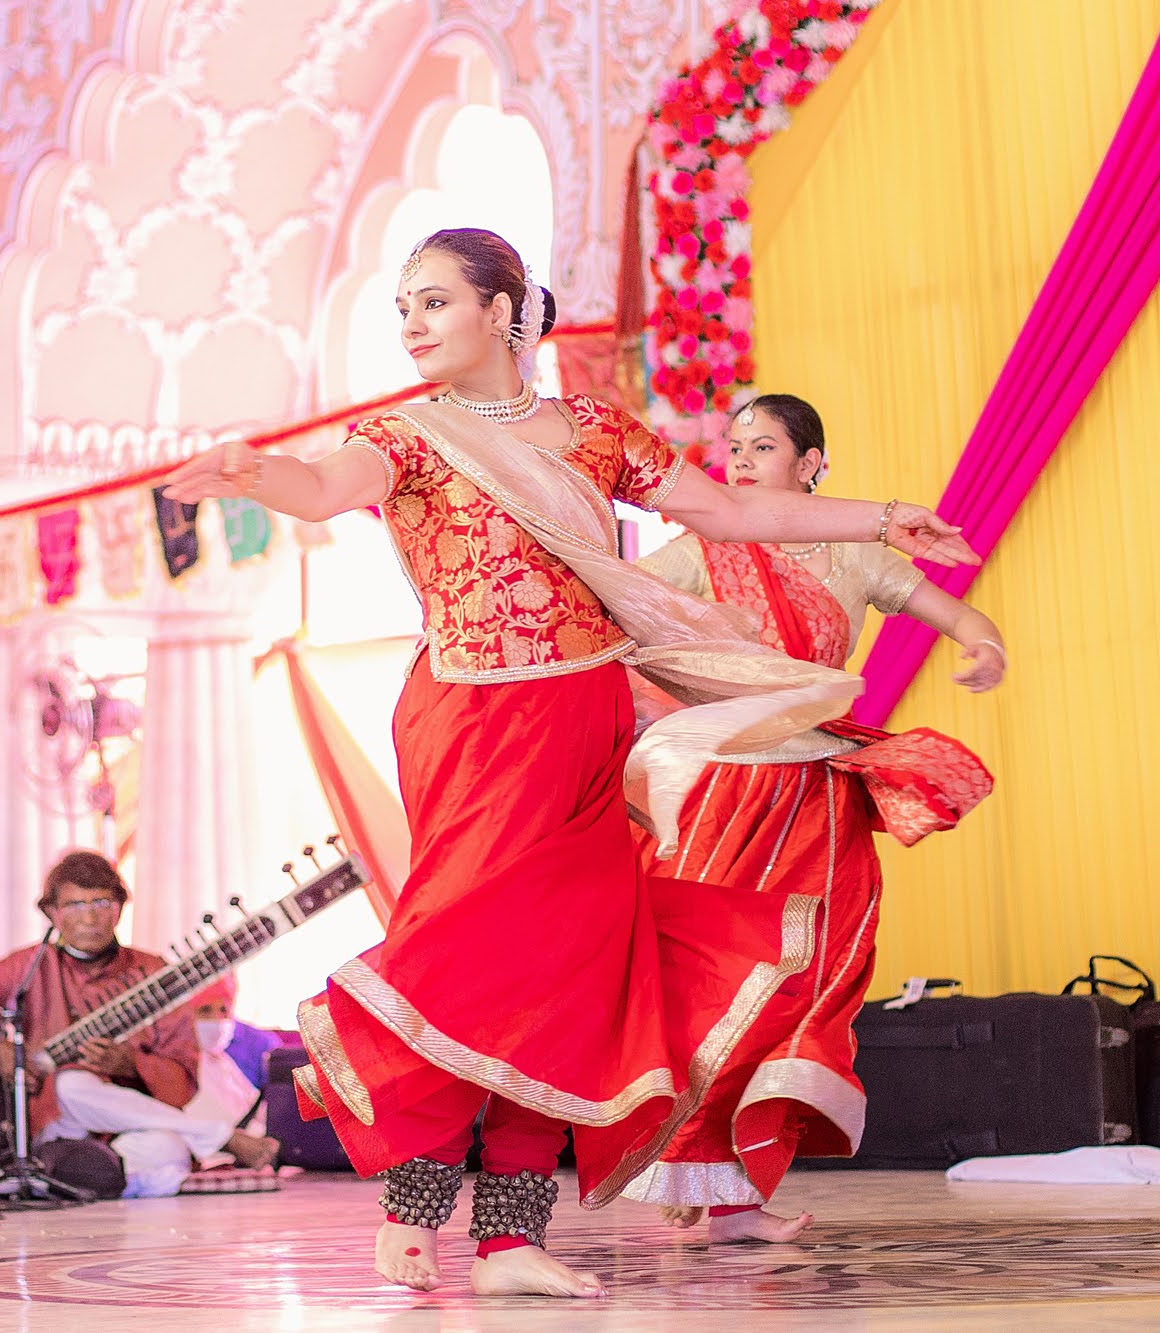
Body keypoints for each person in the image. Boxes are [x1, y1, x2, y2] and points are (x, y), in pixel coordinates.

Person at [162, 227, 977, 1298]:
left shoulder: (595, 431)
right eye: (401, 307)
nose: (408, 325)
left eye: (432, 303)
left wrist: (880, 516)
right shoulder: (404, 435)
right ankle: (410, 1204)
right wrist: (252, 472)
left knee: (573, 970)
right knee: (462, 950)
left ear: (502, 311)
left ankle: (507, 1237)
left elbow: (728, 510)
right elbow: (321, 488)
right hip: (472, 724)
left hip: (586, 715)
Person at [621, 393, 1000, 1241]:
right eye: (735, 447)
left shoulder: (859, 557)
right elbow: (614, 609)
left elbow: (958, 614)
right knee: (710, 985)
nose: (742, 460)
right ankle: (700, 1176)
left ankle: (734, 1189)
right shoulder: (704, 547)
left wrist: (986, 646)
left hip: (815, 797)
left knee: (809, 977)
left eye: (763, 446)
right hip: (716, 795)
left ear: (813, 463)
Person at [0, 851, 280, 1198]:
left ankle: (72, 1175)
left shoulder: (152, 974)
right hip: (48, 1118)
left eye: (101, 904)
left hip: (122, 1128)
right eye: (75, 905)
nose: (90, 918)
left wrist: (130, 1064)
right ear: (52, 913)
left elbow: (183, 1080)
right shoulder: (26, 968)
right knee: (71, 1084)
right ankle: (218, 1137)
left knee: (168, 1149)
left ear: (119, 910)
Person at [182, 975, 283, 1137]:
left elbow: (268, 1110)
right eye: (205, 1010)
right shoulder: (178, 1063)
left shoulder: (227, 1057)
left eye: (224, 1010)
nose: (217, 1019)